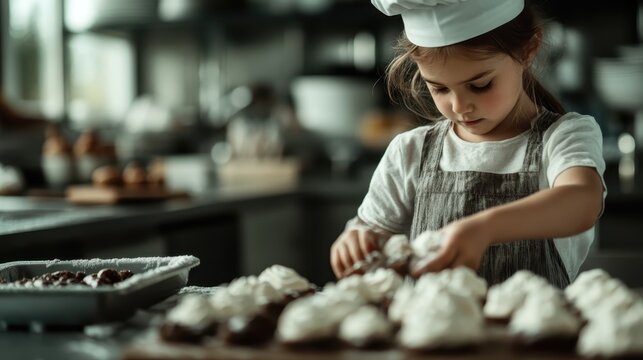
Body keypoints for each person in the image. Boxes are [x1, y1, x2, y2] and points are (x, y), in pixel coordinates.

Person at [330, 0, 606, 288]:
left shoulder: (563, 136)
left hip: (533, 331)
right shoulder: (410, 152)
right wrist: (357, 243)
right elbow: (371, 236)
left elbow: (581, 200)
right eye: (439, 88)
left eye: (480, 85)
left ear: (528, 50)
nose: (459, 106)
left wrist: (486, 229)